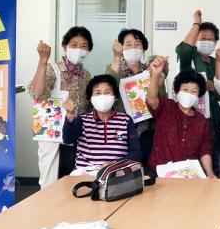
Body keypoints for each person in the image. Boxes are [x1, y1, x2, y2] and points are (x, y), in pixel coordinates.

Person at [146, 56, 220, 229]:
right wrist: (155, 76)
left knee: (211, 204)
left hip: (189, 177)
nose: (189, 94)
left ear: (199, 95)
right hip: (160, 175)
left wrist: (210, 174)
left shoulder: (201, 121)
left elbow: (205, 150)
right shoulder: (166, 108)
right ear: (176, 91)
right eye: (185, 89)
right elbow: (152, 99)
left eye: (194, 91)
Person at [28, 26, 93, 187]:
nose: (78, 49)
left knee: (73, 179)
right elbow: (37, 93)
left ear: (88, 50)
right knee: (50, 180)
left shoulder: (86, 75)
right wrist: (43, 61)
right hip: (52, 133)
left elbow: (87, 106)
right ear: (65, 46)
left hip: (75, 133)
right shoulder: (53, 69)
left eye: (83, 46)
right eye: (74, 45)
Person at [106, 28, 166, 166]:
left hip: (148, 131)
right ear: (121, 47)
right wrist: (116, 57)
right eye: (128, 44)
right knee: (124, 171)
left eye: (137, 44)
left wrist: (158, 80)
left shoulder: (150, 70)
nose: (133, 48)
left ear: (144, 48)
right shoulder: (114, 68)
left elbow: (161, 100)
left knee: (147, 170)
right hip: (121, 133)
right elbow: (108, 88)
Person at [175, 10, 220, 163]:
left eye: (211, 39)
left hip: (214, 115)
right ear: (196, 39)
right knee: (194, 154)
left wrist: (214, 88)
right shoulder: (190, 58)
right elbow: (184, 49)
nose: (207, 42)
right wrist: (196, 23)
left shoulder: (215, 61)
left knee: (214, 152)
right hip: (192, 113)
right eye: (203, 38)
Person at [62, 74, 141, 169]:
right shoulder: (82, 120)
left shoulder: (126, 120)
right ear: (91, 98)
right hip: (85, 173)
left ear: (115, 96)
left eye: (107, 92)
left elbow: (136, 152)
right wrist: (70, 116)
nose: (102, 96)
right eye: (97, 93)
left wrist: (115, 164)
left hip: (116, 172)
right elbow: (68, 139)